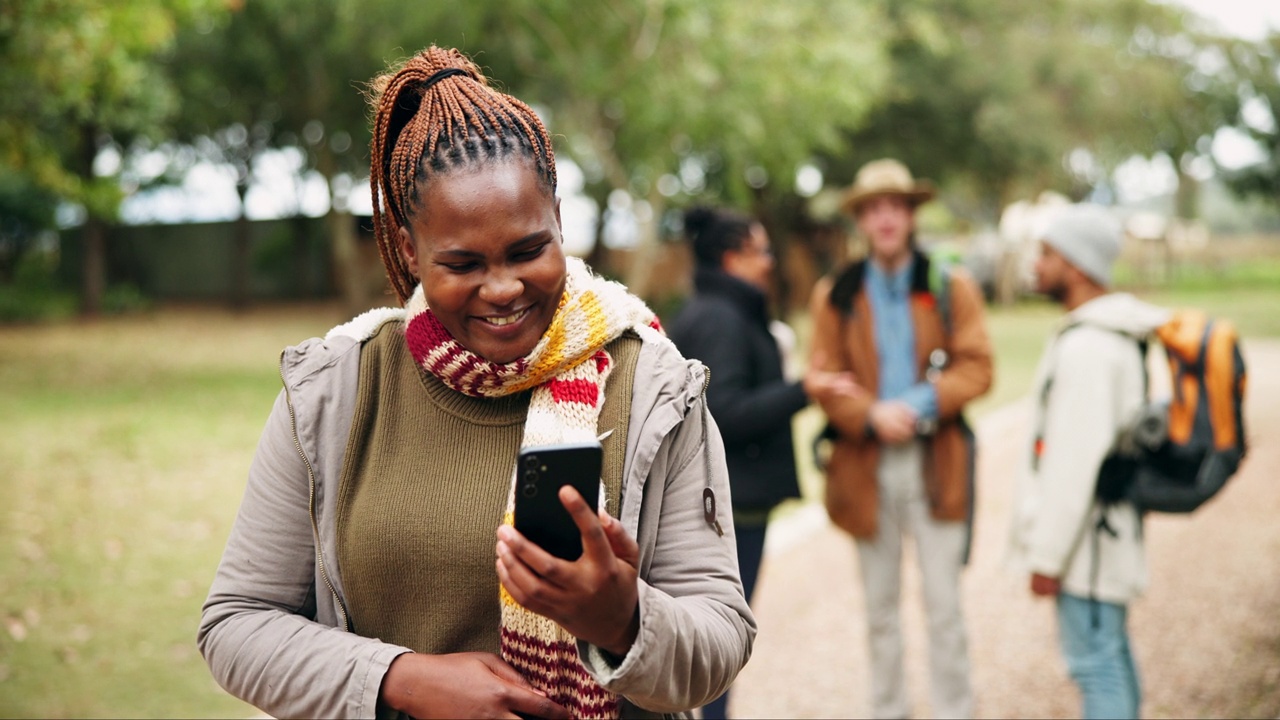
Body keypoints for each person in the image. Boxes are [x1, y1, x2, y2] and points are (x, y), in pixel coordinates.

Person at [197, 46, 755, 720]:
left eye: (528, 251)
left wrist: (624, 618)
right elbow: (237, 623)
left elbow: (722, 637)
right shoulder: (337, 387)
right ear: (408, 249)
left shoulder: (652, 382)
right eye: (462, 263)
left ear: (558, 218)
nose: (503, 289)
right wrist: (398, 679)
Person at [805, 159, 993, 719]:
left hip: (939, 459)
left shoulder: (948, 284)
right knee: (880, 609)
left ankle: (955, 710)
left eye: (895, 206)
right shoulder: (835, 293)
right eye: (873, 208)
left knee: (944, 605)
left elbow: (978, 366)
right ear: (861, 219)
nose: (885, 218)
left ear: (911, 214)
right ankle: (889, 711)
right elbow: (825, 377)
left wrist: (914, 405)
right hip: (864, 464)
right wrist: (871, 413)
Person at [668, 207, 854, 719]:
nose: (770, 262)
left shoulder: (718, 309)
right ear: (734, 258)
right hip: (730, 507)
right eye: (762, 251)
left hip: (734, 501)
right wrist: (803, 391)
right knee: (719, 644)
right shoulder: (722, 319)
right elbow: (723, 413)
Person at [1007, 203, 1168, 719]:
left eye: (1048, 253)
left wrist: (1046, 559)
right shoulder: (1108, 335)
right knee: (1110, 661)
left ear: (1077, 265)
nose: (1037, 263)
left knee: (1095, 668)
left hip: (1088, 553)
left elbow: (1071, 468)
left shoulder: (1090, 349)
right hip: (1103, 541)